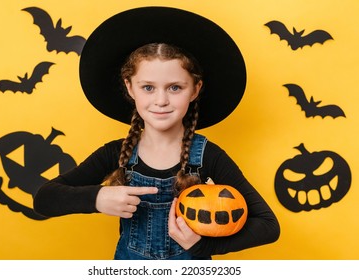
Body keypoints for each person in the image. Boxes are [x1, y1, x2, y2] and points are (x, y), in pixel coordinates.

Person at [33, 6, 280, 260]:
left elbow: (268, 226)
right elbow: (44, 199)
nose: (161, 100)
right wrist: (96, 197)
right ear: (130, 88)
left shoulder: (209, 157)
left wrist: (204, 247)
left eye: (175, 87)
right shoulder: (116, 154)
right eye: (148, 87)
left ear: (195, 90)